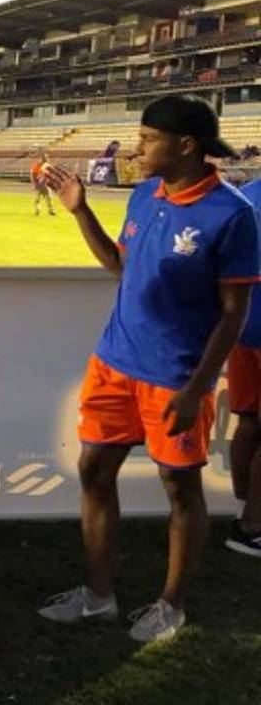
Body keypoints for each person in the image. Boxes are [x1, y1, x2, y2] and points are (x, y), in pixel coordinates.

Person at [38, 94, 259, 640]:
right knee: (94, 471)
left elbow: (234, 315)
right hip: (115, 362)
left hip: (175, 378)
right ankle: (98, 596)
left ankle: (171, 604)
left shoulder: (233, 214)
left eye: (146, 139)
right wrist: (80, 209)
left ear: (186, 146)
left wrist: (197, 388)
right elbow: (119, 266)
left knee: (180, 488)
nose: (134, 149)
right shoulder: (142, 196)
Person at [227, 177, 261, 558]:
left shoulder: (245, 194)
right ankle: (254, 525)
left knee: (249, 420)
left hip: (243, 325)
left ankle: (242, 512)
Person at [30, 147, 56, 216]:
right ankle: (37, 210)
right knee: (38, 199)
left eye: (46, 158)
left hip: (46, 184)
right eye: (44, 157)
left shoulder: (48, 166)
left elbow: (51, 175)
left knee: (49, 199)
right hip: (40, 184)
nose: (45, 159)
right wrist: (35, 183)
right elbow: (33, 174)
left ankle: (51, 211)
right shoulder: (37, 165)